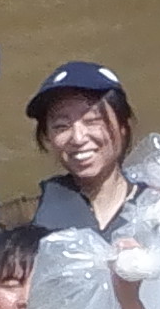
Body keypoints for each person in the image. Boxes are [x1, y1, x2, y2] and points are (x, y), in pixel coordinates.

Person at [23, 61, 141, 234]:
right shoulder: (25, 216)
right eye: (61, 126)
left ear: (123, 126)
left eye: (93, 121)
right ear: (47, 136)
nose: (78, 138)